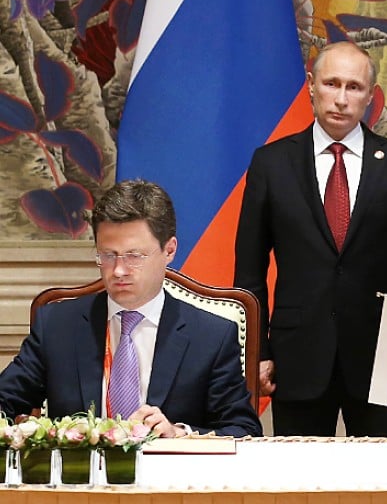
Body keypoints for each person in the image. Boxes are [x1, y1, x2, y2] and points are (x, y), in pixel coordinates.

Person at [234, 41, 387, 437]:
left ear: (370, 95)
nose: (342, 99)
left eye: (354, 87)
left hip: (384, 361)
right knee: (301, 491)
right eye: (332, 84)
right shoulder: (271, 164)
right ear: (311, 86)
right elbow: (249, 272)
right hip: (296, 358)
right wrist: (257, 353)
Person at [0, 180, 261, 437]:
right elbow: (5, 399)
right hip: (81, 477)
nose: (119, 271)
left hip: (169, 476)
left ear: (169, 250)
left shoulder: (211, 336)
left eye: (134, 256)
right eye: (108, 255)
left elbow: (244, 430)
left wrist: (180, 434)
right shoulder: (58, 325)